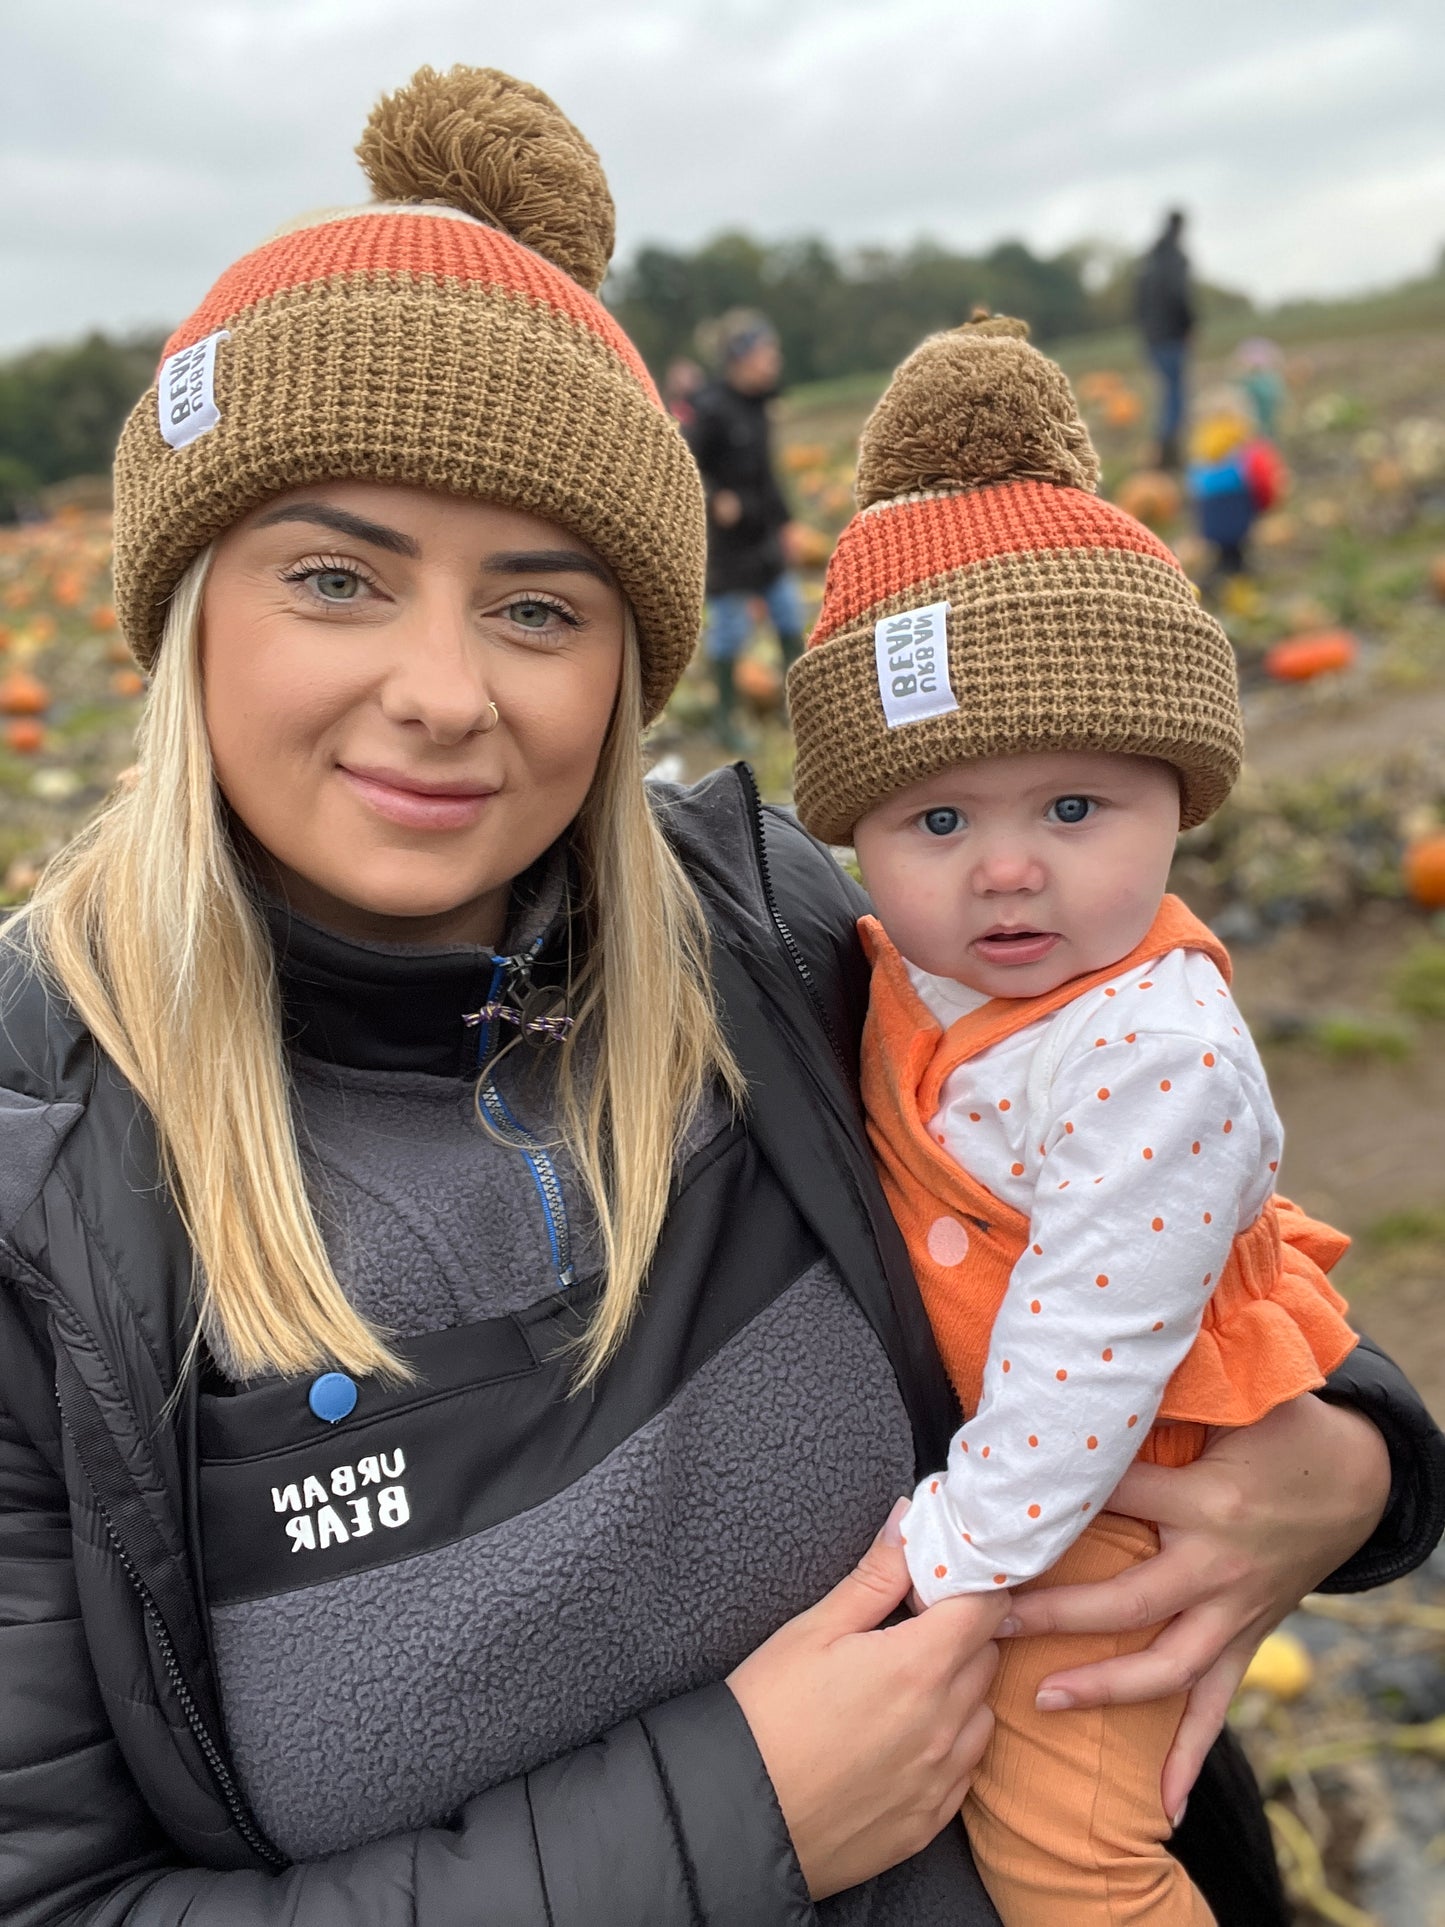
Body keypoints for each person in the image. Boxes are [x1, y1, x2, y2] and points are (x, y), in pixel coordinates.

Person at [1, 66, 1440, 1927]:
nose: (445, 690)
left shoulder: (768, 929)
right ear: (193, 604)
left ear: (626, 664)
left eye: (538, 606)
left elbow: (1146, 1178)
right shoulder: (43, 1188)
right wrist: (732, 1819)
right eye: (338, 577)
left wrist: (1352, 1458)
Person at [788, 316, 1444, 1926]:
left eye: (1075, 808)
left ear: (1179, 796)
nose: (1007, 867)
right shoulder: (898, 967)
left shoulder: (1156, 1053)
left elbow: (1087, 1353)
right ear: (856, 834)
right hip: (1050, 1474)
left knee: (1068, 1848)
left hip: (1113, 1491)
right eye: (937, 817)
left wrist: (955, 1543)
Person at [684, 309, 806, 747]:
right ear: (740, 357)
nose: (774, 358)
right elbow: (685, 459)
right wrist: (715, 494)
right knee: (731, 630)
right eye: (765, 351)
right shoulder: (710, 410)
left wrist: (787, 523)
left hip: (763, 536)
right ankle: (726, 720)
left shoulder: (758, 405)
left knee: (790, 614)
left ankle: (801, 711)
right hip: (728, 548)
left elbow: (768, 475)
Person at [1187, 385, 1287, 590]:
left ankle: (1224, 570)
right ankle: (1237, 572)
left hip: (1209, 518)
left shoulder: (1200, 448)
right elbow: (1262, 479)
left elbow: (1193, 485)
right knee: (1237, 545)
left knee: (1225, 548)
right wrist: (1265, 504)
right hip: (1239, 513)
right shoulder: (1246, 446)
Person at [1136, 211, 1195, 470]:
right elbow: (1179, 295)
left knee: (1166, 393)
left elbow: (1137, 303)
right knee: (1175, 395)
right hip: (1172, 335)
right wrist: (1189, 325)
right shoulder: (1176, 259)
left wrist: (1145, 332)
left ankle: (1164, 453)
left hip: (1152, 338)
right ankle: (1170, 454)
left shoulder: (1149, 260)